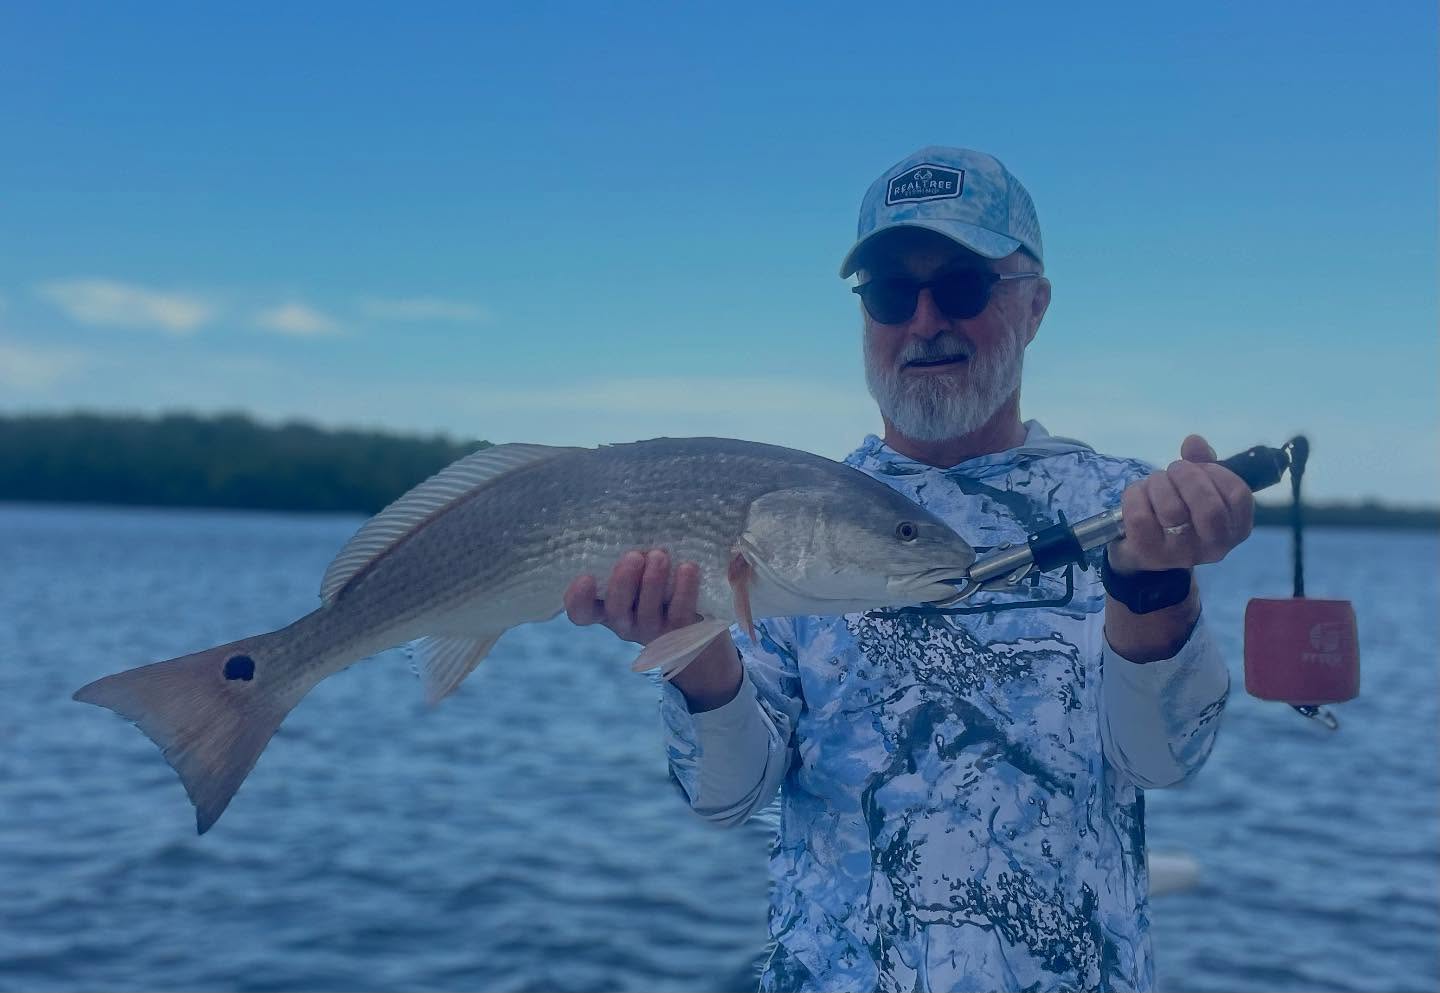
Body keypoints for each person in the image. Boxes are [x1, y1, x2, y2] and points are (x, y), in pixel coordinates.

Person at [563, 146, 1252, 992]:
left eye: (963, 286)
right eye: (891, 293)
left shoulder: (1121, 506)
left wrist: (1153, 588)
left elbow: (1163, 760)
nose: (925, 320)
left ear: (1035, 306)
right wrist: (697, 657)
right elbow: (726, 795)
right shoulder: (790, 517)